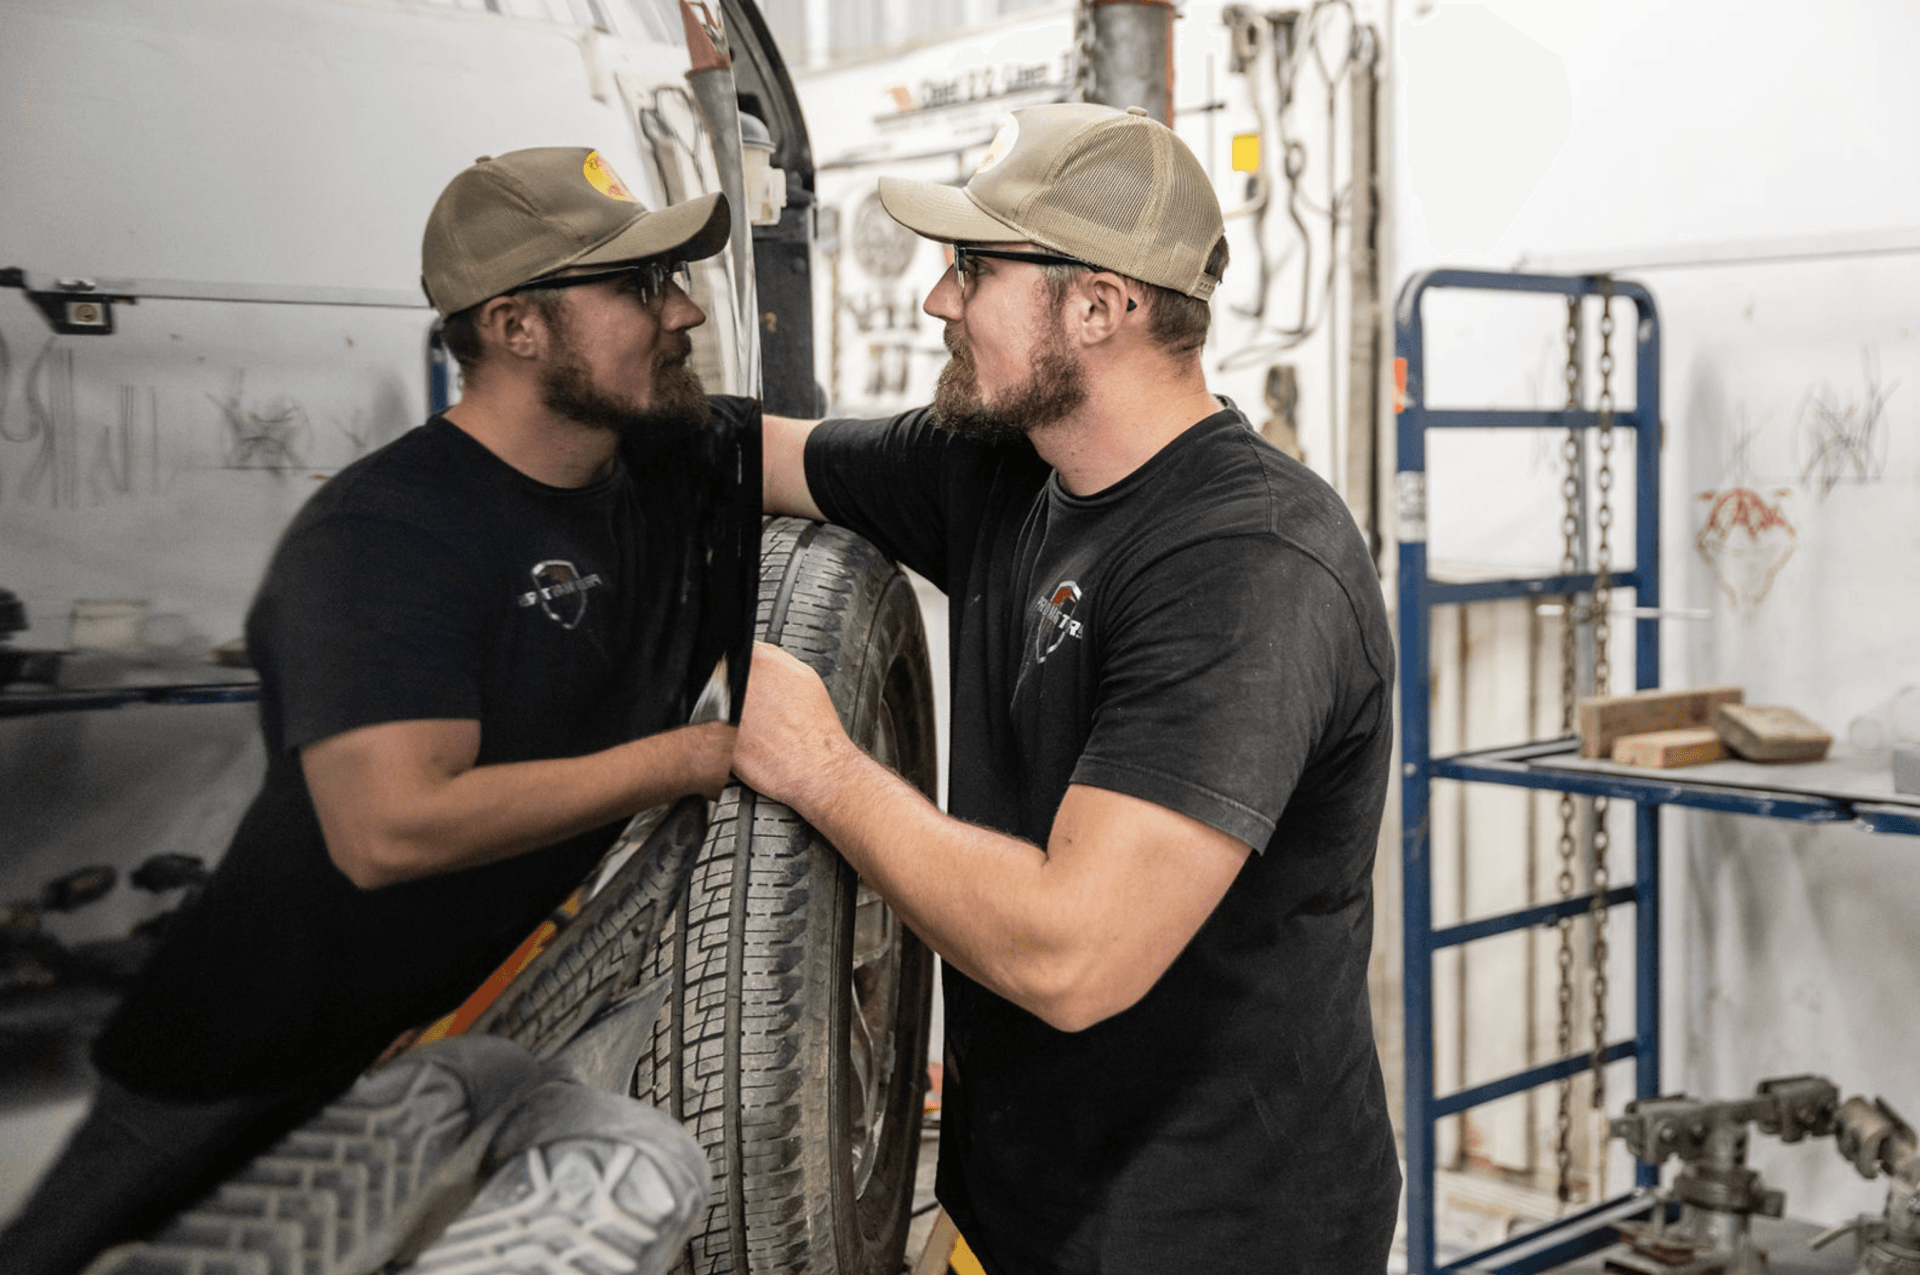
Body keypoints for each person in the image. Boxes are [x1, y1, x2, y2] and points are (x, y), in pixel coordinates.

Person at [3, 147, 748, 1273]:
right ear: (516, 325)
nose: (682, 308)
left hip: (414, 1049)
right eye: (639, 286)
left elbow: (860, 468)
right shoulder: (386, 536)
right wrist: (691, 759)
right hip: (241, 1063)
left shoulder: (666, 465)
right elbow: (390, 827)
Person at [736, 103, 1401, 1273]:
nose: (938, 301)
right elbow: (768, 458)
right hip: (1017, 1212)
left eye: (973, 270)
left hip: (1217, 1241)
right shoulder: (998, 469)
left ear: (1098, 304)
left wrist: (818, 764)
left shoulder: (1250, 563)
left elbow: (1072, 956)